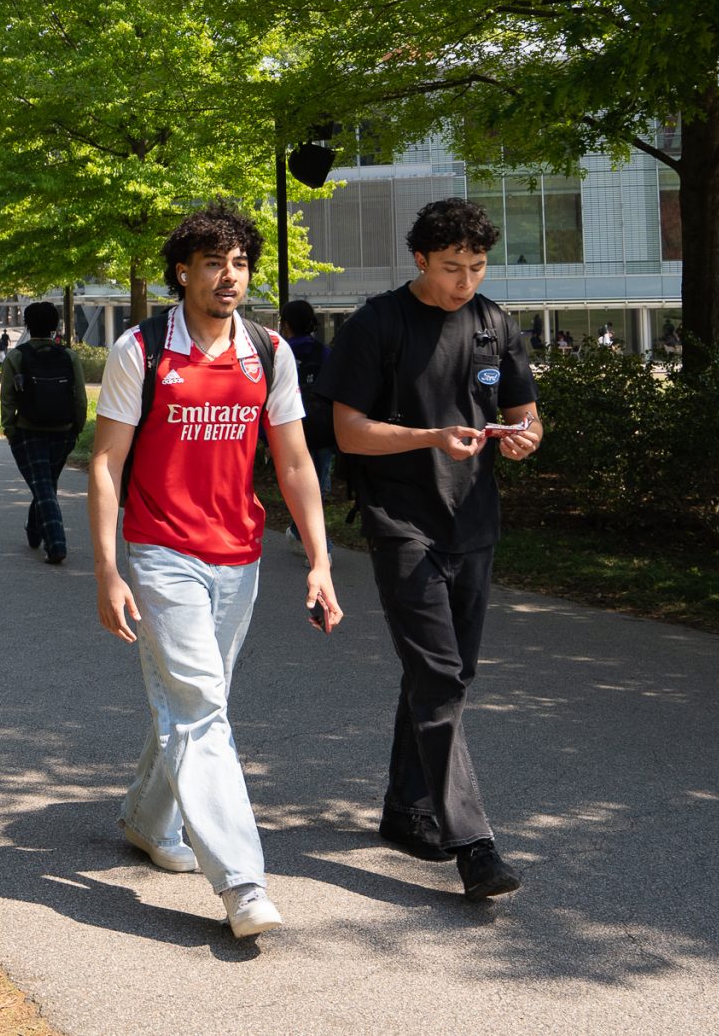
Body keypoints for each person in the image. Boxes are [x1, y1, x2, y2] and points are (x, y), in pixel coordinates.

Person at [87, 205, 343, 941]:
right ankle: (241, 881)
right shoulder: (141, 349)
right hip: (163, 549)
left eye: (239, 263)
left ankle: (144, 816)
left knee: (197, 699)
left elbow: (293, 461)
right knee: (202, 707)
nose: (228, 276)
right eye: (211, 262)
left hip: (241, 553)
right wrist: (108, 568)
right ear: (182, 271)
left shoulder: (268, 351)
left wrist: (320, 557)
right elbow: (105, 463)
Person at [317, 197, 540, 902]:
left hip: (474, 522)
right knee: (439, 673)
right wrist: (429, 436)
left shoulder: (495, 324)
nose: (465, 280)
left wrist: (529, 437)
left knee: (449, 674)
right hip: (401, 521)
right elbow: (348, 432)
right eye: (452, 267)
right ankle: (473, 842)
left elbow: (523, 415)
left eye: (476, 266)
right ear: (421, 259)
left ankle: (404, 809)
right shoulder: (375, 324)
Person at [0, 300, 86, 562]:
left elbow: (8, 398)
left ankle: (56, 545)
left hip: (29, 431)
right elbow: (79, 397)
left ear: (27, 325)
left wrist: (10, 428)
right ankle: (34, 532)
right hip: (64, 431)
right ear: (55, 326)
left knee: (44, 487)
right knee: (46, 485)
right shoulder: (69, 356)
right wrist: (77, 428)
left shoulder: (17, 356)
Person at [278, 298, 337, 499]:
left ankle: (298, 528)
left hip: (293, 426)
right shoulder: (325, 352)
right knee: (320, 478)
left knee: (299, 481)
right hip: (324, 425)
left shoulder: (281, 353)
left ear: (286, 324)